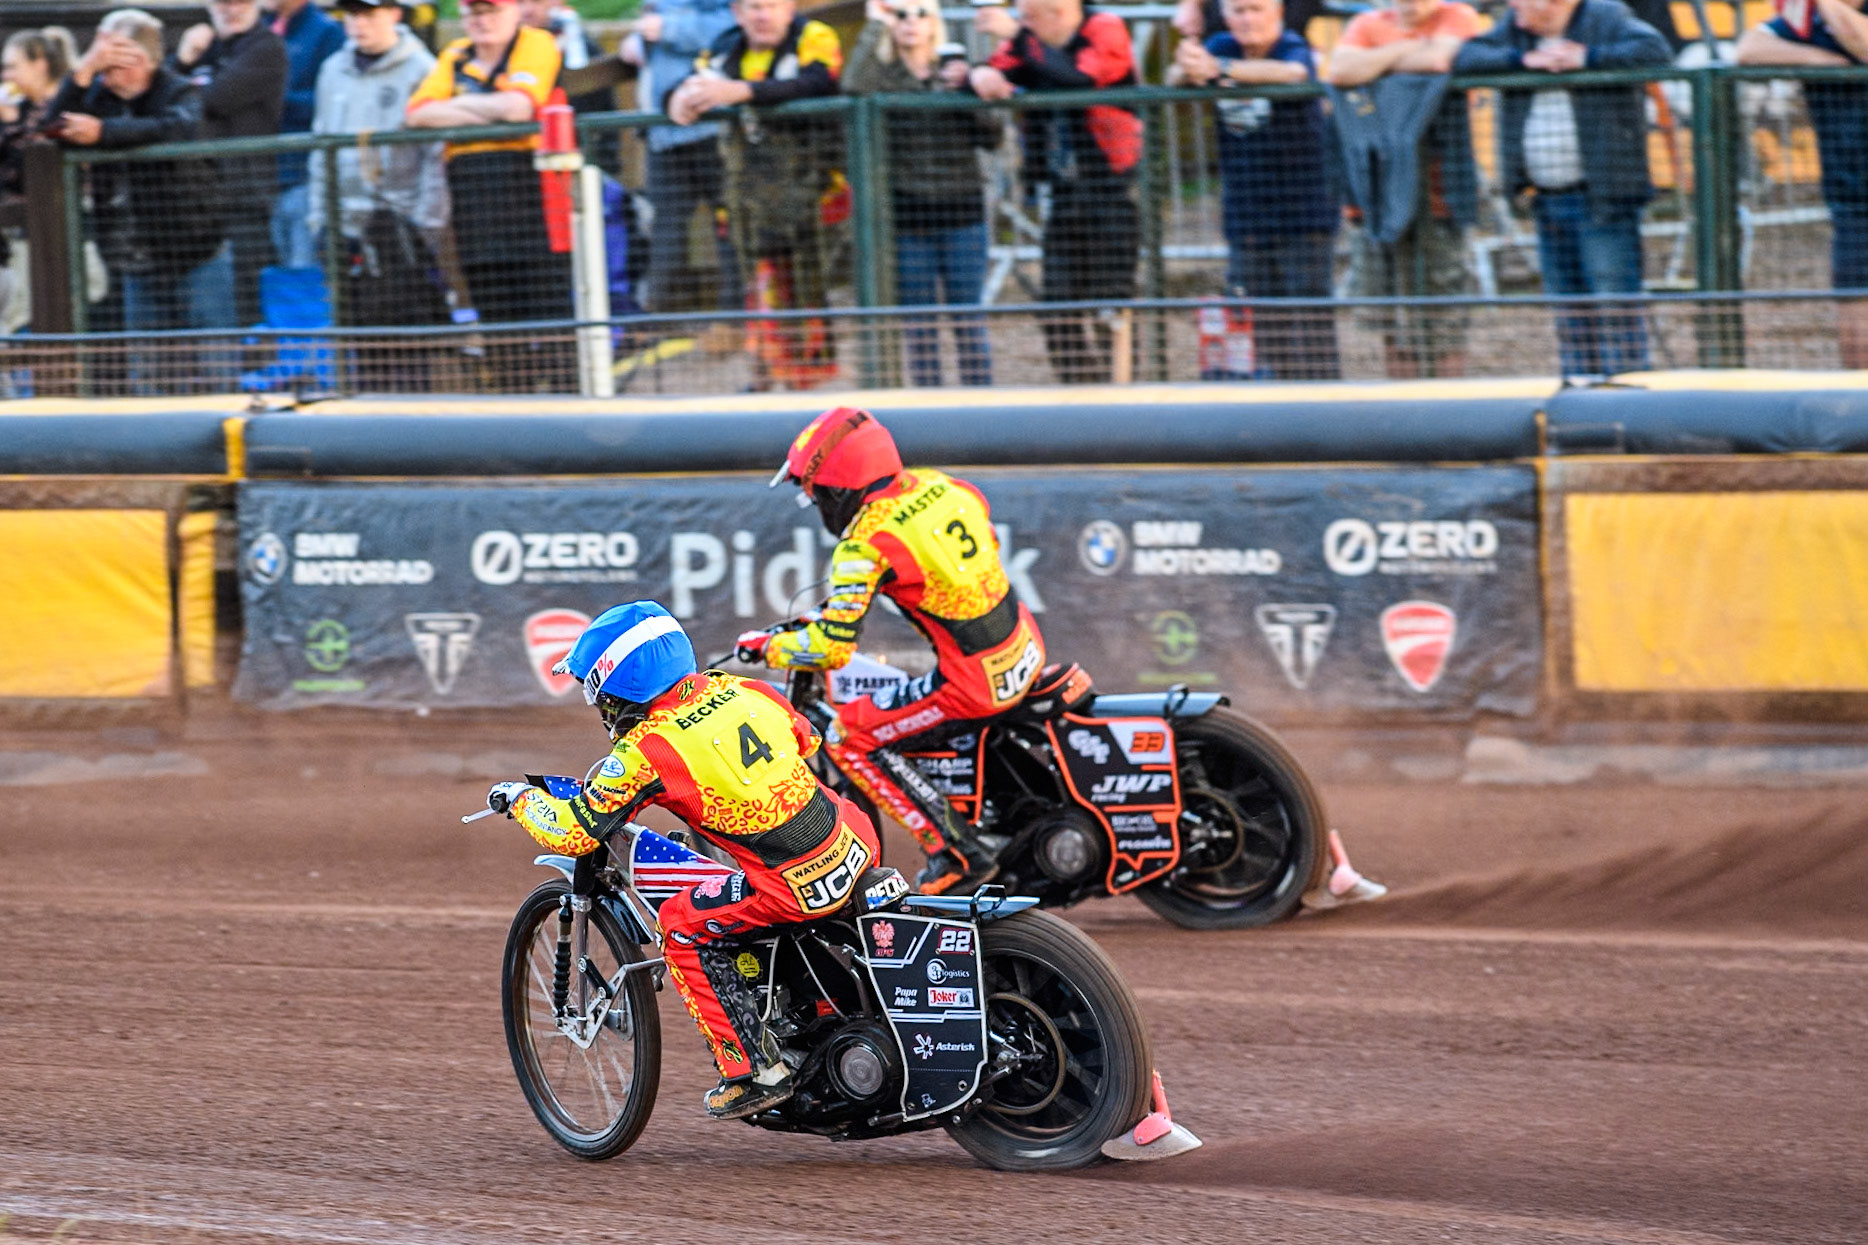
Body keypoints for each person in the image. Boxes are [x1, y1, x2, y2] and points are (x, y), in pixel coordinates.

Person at [489, 600, 882, 1120]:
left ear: (618, 688)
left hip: (794, 885)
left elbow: (575, 831)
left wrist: (519, 799)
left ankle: (754, 1072)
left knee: (680, 924)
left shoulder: (647, 750)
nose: (601, 711)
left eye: (599, 697)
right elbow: (805, 739)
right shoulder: (744, 688)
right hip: (854, 838)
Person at [740, 407, 1045, 895]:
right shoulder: (943, 486)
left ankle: (959, 853)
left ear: (838, 490)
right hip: (1024, 647)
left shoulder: (865, 543)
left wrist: (770, 647)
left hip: (973, 684)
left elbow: (832, 647)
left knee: (847, 734)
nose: (816, 504)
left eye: (815, 493)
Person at [1455, 0, 1669, 378]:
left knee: (1614, 304)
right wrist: (1522, 62)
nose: (1513, 8)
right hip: (1546, 193)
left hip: (1603, 193)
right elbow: (1467, 56)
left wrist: (1587, 57)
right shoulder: (1516, 30)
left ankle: (1627, 400)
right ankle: (1579, 396)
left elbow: (1655, 51)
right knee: (1568, 309)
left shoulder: (1605, 17)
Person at [667, 0, 843, 391]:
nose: (763, 15)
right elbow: (691, 82)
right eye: (753, 7)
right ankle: (763, 377)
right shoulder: (727, 45)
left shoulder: (813, 37)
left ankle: (805, 384)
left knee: (806, 290)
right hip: (750, 198)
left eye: (772, 6)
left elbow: (817, 83)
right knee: (759, 290)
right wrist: (677, 98)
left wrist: (740, 91)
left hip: (812, 194)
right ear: (737, 12)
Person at [971, 0, 1142, 384]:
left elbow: (1077, 78)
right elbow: (998, 65)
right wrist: (980, 73)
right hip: (1062, 192)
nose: (1022, 24)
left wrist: (1018, 37)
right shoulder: (1030, 40)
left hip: (1111, 189)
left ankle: (1123, 388)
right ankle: (1083, 391)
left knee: (1112, 300)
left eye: (1029, 18)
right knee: (1056, 303)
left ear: (1059, 11)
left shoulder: (1104, 27)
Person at [408, 0, 573, 390]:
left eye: (492, 11)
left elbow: (519, 108)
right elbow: (417, 113)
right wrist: (490, 112)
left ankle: (569, 404)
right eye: (473, 13)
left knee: (551, 314)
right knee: (496, 314)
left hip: (533, 197)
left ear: (514, 11)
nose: (482, 21)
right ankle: (512, 403)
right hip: (474, 201)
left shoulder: (536, 44)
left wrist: (456, 107)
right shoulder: (456, 55)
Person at [48, 9, 231, 352]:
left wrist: (105, 133)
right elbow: (52, 128)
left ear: (142, 60)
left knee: (215, 361)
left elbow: (178, 129)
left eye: (115, 62)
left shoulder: (179, 90)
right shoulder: (100, 96)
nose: (108, 73)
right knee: (147, 372)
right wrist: (84, 69)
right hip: (136, 258)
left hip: (197, 252)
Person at [1176, 0, 1340, 379]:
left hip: (1304, 210)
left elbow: (1295, 72)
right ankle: (1271, 414)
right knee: (1257, 325)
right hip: (1247, 211)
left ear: (1278, 12)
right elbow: (1174, 76)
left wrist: (1220, 68)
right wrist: (1188, 61)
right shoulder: (1221, 45)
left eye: (1257, 9)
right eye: (1238, 10)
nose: (1248, 19)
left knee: (1311, 324)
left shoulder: (1290, 45)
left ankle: (1323, 414)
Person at [844, 0, 998, 387]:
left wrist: (967, 90)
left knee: (968, 320)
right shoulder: (883, 74)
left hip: (962, 213)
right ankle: (929, 409)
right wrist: (874, 26)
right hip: (908, 217)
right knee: (920, 326)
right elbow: (852, 84)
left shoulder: (956, 70)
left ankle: (981, 407)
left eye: (920, 13)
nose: (911, 22)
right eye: (900, 14)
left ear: (935, 23)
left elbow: (993, 135)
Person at [1326, 0, 1482, 378]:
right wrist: (1406, 50)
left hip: (1440, 198)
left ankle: (1450, 421)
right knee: (1394, 326)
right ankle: (1408, 422)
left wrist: (1377, 65)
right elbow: (1342, 70)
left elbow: (1439, 60)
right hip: (1375, 196)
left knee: (1446, 325)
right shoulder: (1365, 23)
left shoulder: (1457, 16)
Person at [1738, 0, 1868, 368]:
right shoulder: (1811, 22)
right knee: (1855, 311)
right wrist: (1823, 60)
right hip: (1852, 195)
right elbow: (1749, 49)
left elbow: (1861, 41)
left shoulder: (1830, 16)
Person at [308, 0, 449, 328]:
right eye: (353, 15)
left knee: (405, 336)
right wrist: (318, 219)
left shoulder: (423, 69)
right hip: (340, 223)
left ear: (395, 14)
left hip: (399, 224)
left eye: (369, 14)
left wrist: (425, 225)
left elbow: (435, 156)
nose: (359, 24)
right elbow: (319, 145)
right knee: (353, 332)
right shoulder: (332, 69)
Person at [168, 0, 286, 328]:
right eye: (223, 2)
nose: (231, 9)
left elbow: (215, 99)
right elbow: (160, 98)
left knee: (244, 293)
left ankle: (252, 370)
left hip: (246, 195)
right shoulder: (201, 46)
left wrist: (188, 88)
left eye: (240, 2)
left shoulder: (266, 47)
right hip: (197, 200)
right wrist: (183, 59)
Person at [627, 0, 741, 328]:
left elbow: (733, 27)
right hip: (662, 135)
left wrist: (670, 29)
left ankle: (732, 321)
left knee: (728, 223)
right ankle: (653, 321)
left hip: (709, 130)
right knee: (665, 227)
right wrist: (637, 43)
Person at [264, 0, 346, 269]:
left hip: (305, 175)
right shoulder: (261, 28)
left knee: (304, 271)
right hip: (263, 179)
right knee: (275, 276)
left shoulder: (328, 32)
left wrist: (274, 101)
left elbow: (331, 101)